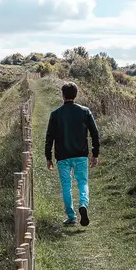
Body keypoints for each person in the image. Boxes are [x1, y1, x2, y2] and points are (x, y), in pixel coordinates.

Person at [44, 81, 100, 226]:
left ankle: (71, 216)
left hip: (62, 156)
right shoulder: (85, 111)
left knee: (66, 186)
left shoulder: (55, 114)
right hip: (81, 154)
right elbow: (95, 133)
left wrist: (48, 157)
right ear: (76, 94)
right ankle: (83, 204)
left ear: (62, 95)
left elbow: (49, 137)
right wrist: (95, 153)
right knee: (83, 182)